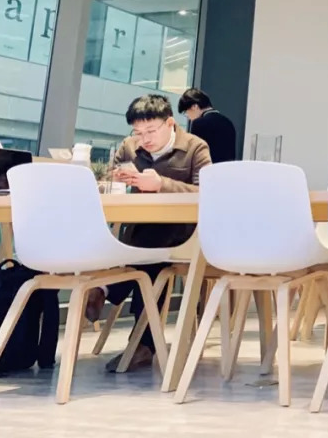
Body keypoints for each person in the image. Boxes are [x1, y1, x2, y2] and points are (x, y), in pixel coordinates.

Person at [84, 94, 212, 372]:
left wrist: (162, 185)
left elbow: (209, 193)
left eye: (151, 131)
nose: (144, 139)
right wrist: (115, 180)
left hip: (184, 233)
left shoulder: (195, 147)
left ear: (170, 123)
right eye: (138, 132)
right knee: (150, 253)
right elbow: (109, 180)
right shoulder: (129, 147)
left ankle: (105, 288)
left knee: (152, 248)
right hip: (138, 230)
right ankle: (143, 344)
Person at [178, 87, 237, 164]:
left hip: (207, 169)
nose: (188, 117)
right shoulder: (228, 122)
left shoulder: (199, 123)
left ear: (194, 106)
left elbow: (194, 155)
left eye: (186, 112)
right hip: (226, 170)